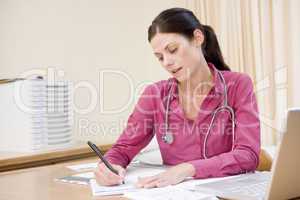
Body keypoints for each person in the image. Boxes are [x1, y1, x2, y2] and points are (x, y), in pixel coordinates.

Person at [94, 7, 260, 188]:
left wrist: (188, 169)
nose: (167, 62)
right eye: (160, 57)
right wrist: (109, 167)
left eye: (172, 50)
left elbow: (248, 155)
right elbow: (122, 149)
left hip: (227, 191)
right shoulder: (155, 95)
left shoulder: (238, 85)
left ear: (198, 38)